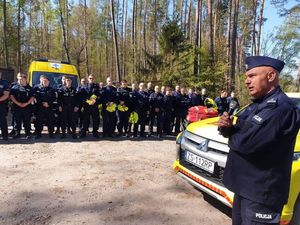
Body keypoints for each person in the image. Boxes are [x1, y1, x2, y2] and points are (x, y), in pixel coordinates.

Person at [218, 56, 300, 225]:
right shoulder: (256, 105)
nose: (247, 81)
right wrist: (227, 128)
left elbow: (245, 144)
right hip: (245, 188)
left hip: (262, 194)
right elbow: (240, 133)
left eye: (252, 76)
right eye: (247, 77)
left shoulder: (281, 108)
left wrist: (233, 134)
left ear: (270, 76)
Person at [9, 73, 34, 139]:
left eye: (21, 79)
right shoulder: (14, 87)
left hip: (27, 107)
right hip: (17, 107)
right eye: (19, 80)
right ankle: (17, 133)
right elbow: (12, 97)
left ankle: (27, 134)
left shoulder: (30, 88)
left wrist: (26, 104)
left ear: (25, 79)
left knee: (27, 121)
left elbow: (32, 97)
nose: (19, 81)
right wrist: (18, 103)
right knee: (17, 121)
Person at [0, 71, 10, 140]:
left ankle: (5, 136)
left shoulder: (4, 83)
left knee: (2, 120)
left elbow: (6, 94)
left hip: (1, 104)